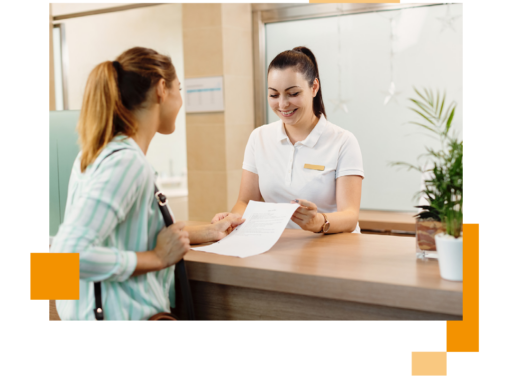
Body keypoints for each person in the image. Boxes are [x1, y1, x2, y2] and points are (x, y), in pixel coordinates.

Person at [50, 47, 243, 321]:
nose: (181, 101)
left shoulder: (94, 154)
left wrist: (209, 232)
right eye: (179, 89)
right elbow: (66, 254)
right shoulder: (126, 163)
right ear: (162, 89)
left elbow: (122, 234)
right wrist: (157, 258)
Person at [212, 46, 364, 234]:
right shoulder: (259, 138)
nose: (283, 104)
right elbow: (245, 202)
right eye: (274, 95)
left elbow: (350, 215)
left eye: (293, 94)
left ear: (314, 87)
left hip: (333, 248)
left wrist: (319, 222)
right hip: (279, 248)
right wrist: (231, 220)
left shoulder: (343, 141)